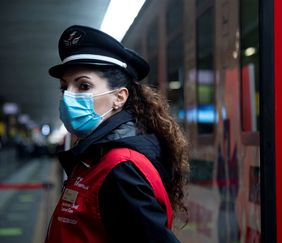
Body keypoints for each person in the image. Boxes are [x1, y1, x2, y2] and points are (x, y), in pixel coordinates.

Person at [45, 25, 189, 243]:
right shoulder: (96, 157)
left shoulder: (121, 167)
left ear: (119, 97)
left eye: (83, 86)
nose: (68, 97)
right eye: (64, 88)